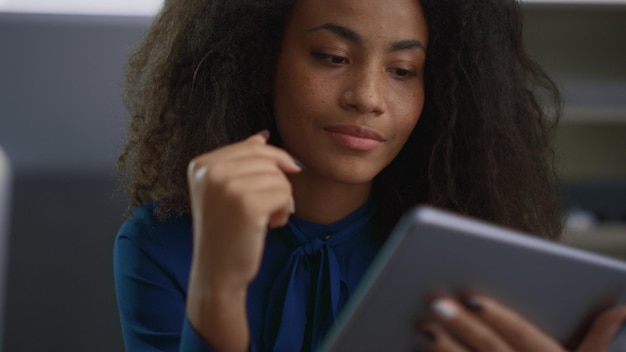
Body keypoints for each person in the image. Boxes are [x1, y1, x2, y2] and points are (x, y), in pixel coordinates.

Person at [113, 0, 626, 351]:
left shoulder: (473, 253)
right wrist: (218, 288)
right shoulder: (161, 243)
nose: (368, 97)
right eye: (333, 57)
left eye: (402, 70)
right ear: (258, 63)